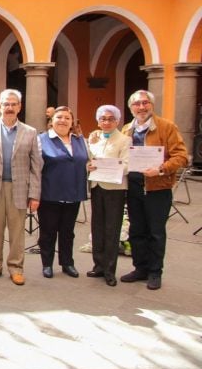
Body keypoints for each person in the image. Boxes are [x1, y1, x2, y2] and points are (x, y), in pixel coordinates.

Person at [120, 90, 188, 290]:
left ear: (152, 105)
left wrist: (160, 169)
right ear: (130, 107)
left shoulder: (167, 127)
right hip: (133, 187)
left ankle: (155, 272)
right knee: (136, 230)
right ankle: (140, 268)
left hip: (157, 188)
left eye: (145, 103)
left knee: (156, 233)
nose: (141, 107)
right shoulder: (126, 130)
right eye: (137, 104)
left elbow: (182, 157)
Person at [0, 89, 43, 285]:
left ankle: (16, 268)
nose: (10, 107)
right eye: (6, 104)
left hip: (19, 188)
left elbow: (36, 166)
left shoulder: (30, 132)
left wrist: (35, 195)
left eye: (13, 104)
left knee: (17, 231)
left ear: (20, 107)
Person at [38, 106, 88, 279]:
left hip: (73, 193)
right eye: (59, 117)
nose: (63, 120)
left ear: (72, 122)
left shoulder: (80, 140)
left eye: (67, 118)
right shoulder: (42, 139)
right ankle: (47, 264)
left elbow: (86, 161)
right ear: (52, 121)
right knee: (48, 231)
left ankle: (67, 263)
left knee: (68, 231)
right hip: (49, 193)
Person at [85, 105, 131, 287]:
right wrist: (89, 166)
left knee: (112, 229)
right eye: (103, 118)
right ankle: (98, 265)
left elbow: (127, 165)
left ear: (117, 121)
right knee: (97, 227)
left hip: (114, 188)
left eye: (110, 119)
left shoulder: (124, 140)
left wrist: (110, 166)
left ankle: (110, 270)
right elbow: (89, 159)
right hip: (97, 186)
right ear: (98, 120)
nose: (106, 122)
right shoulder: (94, 138)